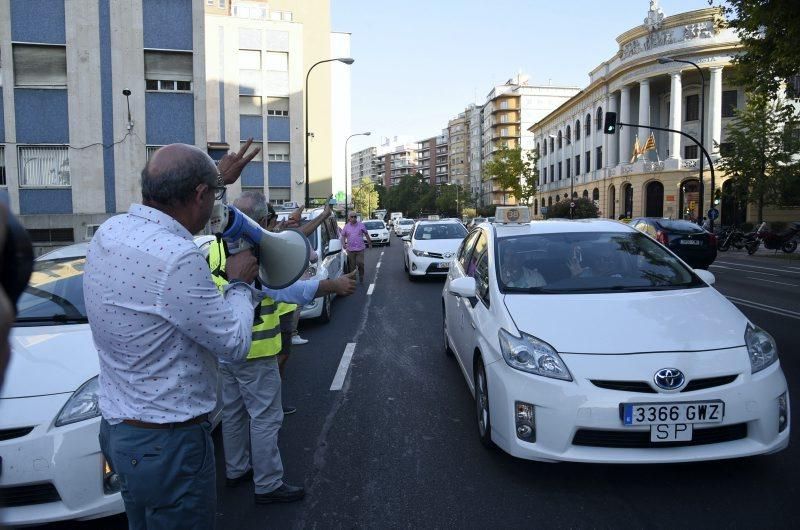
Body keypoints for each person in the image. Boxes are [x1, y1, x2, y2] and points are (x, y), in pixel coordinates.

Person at [84, 141, 261, 530]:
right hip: (170, 446)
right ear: (198, 195)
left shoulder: (109, 232)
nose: (213, 202)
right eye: (211, 194)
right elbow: (233, 344)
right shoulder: (177, 257)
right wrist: (239, 285)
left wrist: (214, 179)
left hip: (119, 433)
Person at [210, 191, 355, 504]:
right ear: (260, 221)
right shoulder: (254, 254)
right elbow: (287, 291)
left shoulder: (212, 249)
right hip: (257, 352)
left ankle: (236, 470)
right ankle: (268, 483)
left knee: (234, 415)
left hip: (224, 350)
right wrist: (333, 285)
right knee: (265, 418)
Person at [341, 212, 372, 283]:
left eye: (355, 216)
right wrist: (343, 244)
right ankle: (353, 279)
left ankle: (361, 275)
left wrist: (369, 243)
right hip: (350, 249)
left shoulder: (361, 225)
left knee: (360, 263)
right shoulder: (346, 226)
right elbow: (343, 236)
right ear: (349, 218)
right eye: (352, 217)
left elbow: (366, 234)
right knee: (352, 266)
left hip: (360, 249)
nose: (354, 218)